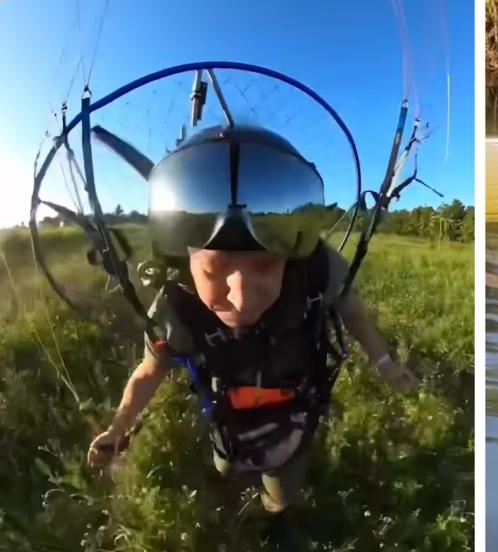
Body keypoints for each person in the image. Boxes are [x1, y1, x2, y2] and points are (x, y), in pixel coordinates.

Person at [86, 124, 418, 521]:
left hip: (297, 411)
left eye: (263, 265)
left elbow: (351, 311)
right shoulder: (176, 306)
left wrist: (385, 364)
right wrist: (120, 424)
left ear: (289, 259)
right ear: (188, 263)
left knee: (284, 487)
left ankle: (277, 515)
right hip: (228, 416)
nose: (241, 297)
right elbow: (149, 371)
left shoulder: (315, 272)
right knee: (229, 463)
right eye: (216, 269)